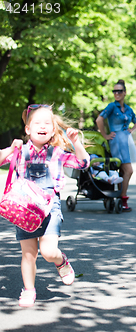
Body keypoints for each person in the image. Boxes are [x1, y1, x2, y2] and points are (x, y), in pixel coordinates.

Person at [0, 104, 90, 307]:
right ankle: (29, 290)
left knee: (49, 252)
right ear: (27, 129)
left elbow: (83, 164)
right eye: (37, 122)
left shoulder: (58, 153)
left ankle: (60, 261)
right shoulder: (19, 151)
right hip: (24, 209)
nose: (42, 126)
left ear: (53, 129)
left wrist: (76, 143)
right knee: (29, 254)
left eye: (47, 123)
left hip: (50, 209)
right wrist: (9, 149)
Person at [96, 79, 136, 212]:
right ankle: (123, 198)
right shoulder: (111, 106)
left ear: (125, 92)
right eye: (114, 91)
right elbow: (99, 119)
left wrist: (131, 130)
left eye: (119, 91)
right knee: (128, 170)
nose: (117, 93)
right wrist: (105, 135)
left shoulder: (128, 109)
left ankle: (121, 199)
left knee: (123, 171)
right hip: (116, 141)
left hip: (127, 141)